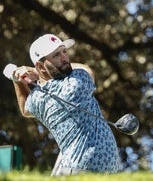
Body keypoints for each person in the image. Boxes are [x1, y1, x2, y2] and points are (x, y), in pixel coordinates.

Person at [6, 34, 122, 176]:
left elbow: (25, 108)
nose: (65, 58)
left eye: (64, 52)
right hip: (82, 172)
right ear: (40, 66)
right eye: (56, 55)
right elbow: (87, 69)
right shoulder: (76, 82)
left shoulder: (38, 98)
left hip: (76, 169)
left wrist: (16, 80)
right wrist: (34, 71)